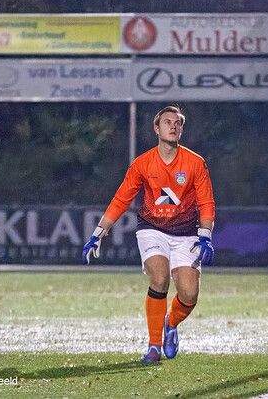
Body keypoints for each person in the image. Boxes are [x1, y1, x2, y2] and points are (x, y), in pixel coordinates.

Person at [82, 105, 215, 364]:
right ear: (157, 128)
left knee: (189, 294)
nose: (173, 126)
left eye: (177, 123)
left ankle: (170, 322)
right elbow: (121, 199)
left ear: (181, 129)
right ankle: (153, 346)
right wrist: (98, 232)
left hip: (186, 233)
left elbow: (207, 202)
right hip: (151, 229)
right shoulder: (142, 164)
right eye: (167, 122)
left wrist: (206, 234)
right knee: (160, 277)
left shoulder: (195, 162)